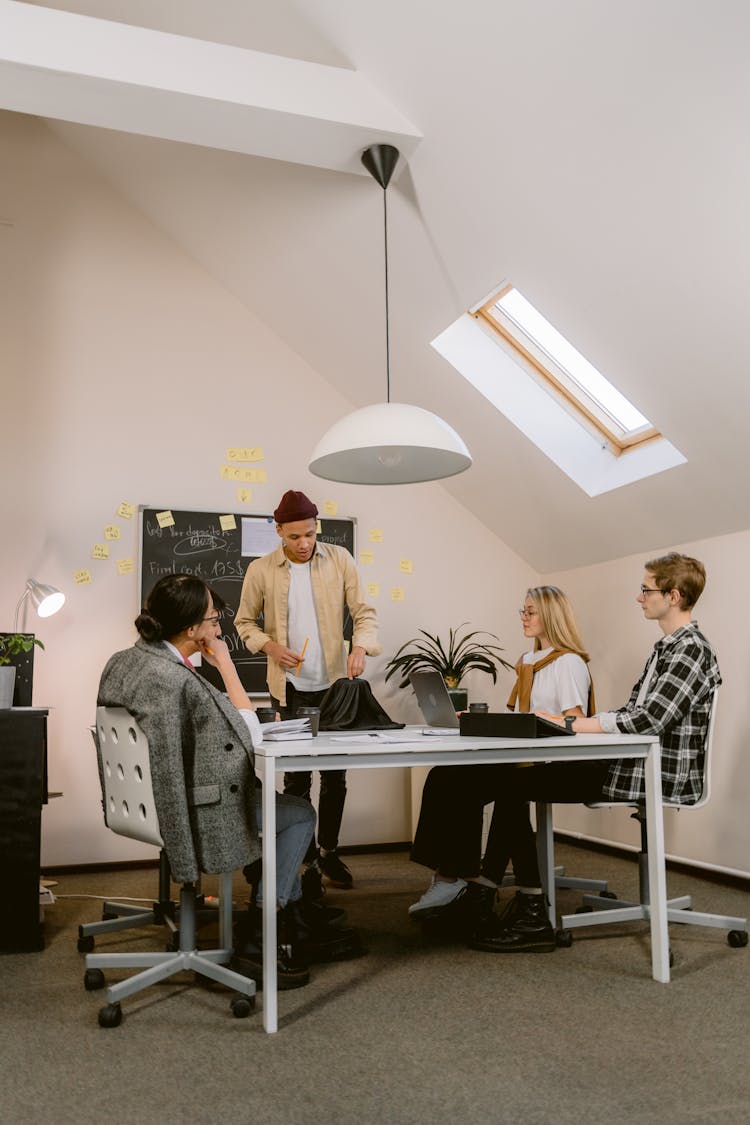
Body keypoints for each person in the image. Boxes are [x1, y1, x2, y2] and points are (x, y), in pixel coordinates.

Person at [97, 573, 360, 991]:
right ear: (192, 630)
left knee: (272, 807)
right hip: (189, 805)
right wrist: (225, 664)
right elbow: (249, 735)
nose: (219, 629)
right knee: (296, 815)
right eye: (213, 620)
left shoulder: (127, 661)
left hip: (140, 801)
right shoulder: (177, 680)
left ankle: (294, 922)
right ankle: (262, 935)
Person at [469, 552, 721, 954]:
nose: (639, 597)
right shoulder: (665, 648)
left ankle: (530, 912)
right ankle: (500, 896)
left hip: (652, 772)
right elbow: (632, 713)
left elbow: (648, 721)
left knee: (512, 784)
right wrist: (564, 721)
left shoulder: (689, 650)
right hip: (630, 761)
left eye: (646, 589)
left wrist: (570, 724)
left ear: (673, 595)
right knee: (510, 781)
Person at [408, 586, 593, 935]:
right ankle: (455, 877)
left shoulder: (567, 663)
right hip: (524, 754)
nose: (522, 618)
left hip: (551, 762)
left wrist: (536, 722)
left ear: (551, 616)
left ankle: (468, 881)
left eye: (530, 612)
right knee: (444, 774)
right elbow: (522, 718)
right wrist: (476, 719)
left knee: (466, 783)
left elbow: (574, 721)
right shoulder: (528, 660)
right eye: (521, 611)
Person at [235, 490, 381, 894]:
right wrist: (268, 646)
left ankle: (329, 851)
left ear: (318, 529)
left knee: (336, 777)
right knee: (297, 781)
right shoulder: (261, 570)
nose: (304, 544)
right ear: (278, 531)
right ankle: (303, 858)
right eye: (295, 536)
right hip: (291, 689)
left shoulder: (340, 560)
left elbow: (364, 612)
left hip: (335, 686)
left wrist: (361, 645)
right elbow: (244, 621)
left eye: (310, 535)